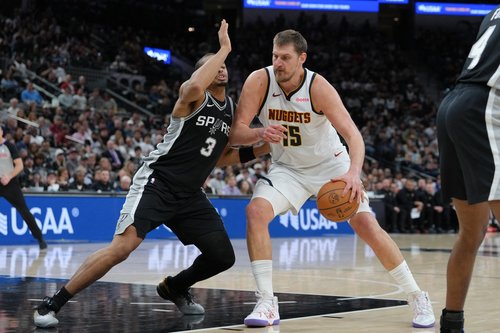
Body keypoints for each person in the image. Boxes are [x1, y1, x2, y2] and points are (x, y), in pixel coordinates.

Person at [33, 20, 269, 328]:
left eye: (223, 64)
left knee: (222, 256)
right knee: (122, 249)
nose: (221, 67)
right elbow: (195, 85)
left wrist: (264, 149)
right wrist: (224, 48)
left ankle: (175, 286)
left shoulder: (230, 110)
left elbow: (221, 159)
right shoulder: (193, 97)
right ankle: (53, 303)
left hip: (189, 195)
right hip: (157, 183)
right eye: (213, 65)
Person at [229, 29, 435, 328]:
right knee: (255, 211)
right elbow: (237, 134)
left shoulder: (318, 87)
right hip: (288, 169)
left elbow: (353, 136)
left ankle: (416, 296)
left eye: (285, 58)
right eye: (275, 56)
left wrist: (353, 173)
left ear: (302, 58)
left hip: (331, 165)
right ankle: (266, 302)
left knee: (367, 225)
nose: (278, 63)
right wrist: (261, 133)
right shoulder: (259, 81)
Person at [436, 6, 500, 333]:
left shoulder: (492, 14)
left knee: (472, 232)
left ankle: (452, 323)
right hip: (484, 108)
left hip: (453, 105)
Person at [0, 125, 47, 249]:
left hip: (9, 184)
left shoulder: (9, 146)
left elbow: (19, 166)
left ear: (1, 132)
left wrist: (9, 176)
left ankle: (40, 238)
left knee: (24, 211)